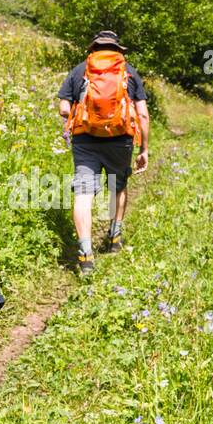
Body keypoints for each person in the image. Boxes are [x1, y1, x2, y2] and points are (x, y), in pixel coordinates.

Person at [56, 30, 150, 275]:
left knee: (84, 193)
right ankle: (114, 236)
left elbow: (63, 108)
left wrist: (80, 115)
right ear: (118, 48)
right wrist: (144, 149)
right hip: (121, 140)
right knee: (118, 185)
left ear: (93, 47)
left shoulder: (80, 70)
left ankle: (85, 252)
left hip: (85, 139)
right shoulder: (129, 72)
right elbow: (142, 114)